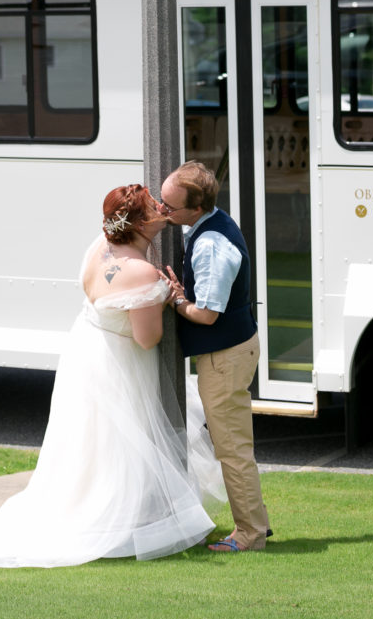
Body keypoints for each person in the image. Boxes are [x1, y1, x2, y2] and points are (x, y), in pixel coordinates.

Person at [0, 185, 224, 568]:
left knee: (88, 440)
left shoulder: (98, 246)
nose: (160, 208)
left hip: (86, 351)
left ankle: (106, 507)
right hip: (118, 362)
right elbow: (147, 338)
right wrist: (168, 298)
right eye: (153, 206)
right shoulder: (141, 272)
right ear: (138, 223)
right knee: (117, 441)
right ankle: (119, 517)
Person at [159, 161, 270, 553]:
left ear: (196, 207)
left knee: (232, 449)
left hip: (224, 357)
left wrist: (176, 300)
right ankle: (256, 523)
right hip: (231, 350)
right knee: (235, 446)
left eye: (169, 207)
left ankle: (250, 535)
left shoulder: (210, 245)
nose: (162, 211)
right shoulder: (211, 224)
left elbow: (207, 315)